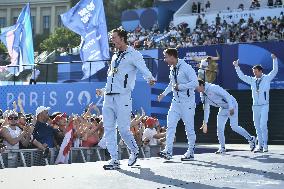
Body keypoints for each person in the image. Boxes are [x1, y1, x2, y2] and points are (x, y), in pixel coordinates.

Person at [96, 28, 155, 170]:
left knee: (123, 129)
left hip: (123, 97)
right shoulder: (115, 56)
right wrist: (103, 90)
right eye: (111, 37)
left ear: (122, 38)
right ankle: (114, 159)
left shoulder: (133, 54)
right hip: (108, 98)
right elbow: (112, 78)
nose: (112, 40)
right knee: (109, 129)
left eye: (114, 37)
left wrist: (150, 78)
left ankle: (134, 150)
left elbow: (143, 68)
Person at [158, 48, 198, 161]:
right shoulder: (172, 68)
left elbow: (195, 83)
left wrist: (180, 87)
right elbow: (172, 84)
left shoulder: (186, 67)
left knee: (189, 128)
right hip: (175, 102)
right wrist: (163, 94)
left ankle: (190, 152)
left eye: (166, 57)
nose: (165, 59)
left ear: (172, 56)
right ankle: (168, 151)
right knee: (170, 126)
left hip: (188, 103)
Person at [233, 54, 278, 152]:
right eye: (253, 72)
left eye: (256, 72)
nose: (254, 74)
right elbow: (242, 76)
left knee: (262, 125)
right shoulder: (252, 80)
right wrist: (237, 66)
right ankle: (260, 145)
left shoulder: (267, 78)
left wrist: (274, 60)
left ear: (261, 71)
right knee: (257, 126)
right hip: (255, 106)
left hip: (264, 105)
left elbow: (275, 71)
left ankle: (265, 145)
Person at [197, 79, 257, 153]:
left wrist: (231, 107)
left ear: (202, 85)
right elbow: (206, 108)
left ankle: (251, 139)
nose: (196, 89)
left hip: (232, 104)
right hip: (223, 108)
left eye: (197, 87)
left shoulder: (213, 87)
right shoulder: (202, 94)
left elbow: (226, 95)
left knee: (234, 127)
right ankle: (222, 148)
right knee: (219, 128)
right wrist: (205, 122)